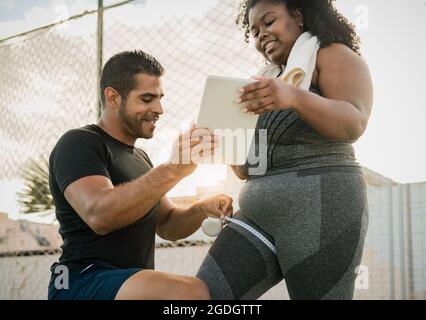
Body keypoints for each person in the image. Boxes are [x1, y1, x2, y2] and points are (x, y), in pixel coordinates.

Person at [197, 0, 373, 300]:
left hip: (321, 209)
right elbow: (247, 166)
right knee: (201, 296)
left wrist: (293, 96)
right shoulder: (270, 79)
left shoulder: (330, 54)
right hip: (258, 213)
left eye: (268, 22)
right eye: (254, 31)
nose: (261, 34)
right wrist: (222, 143)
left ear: (299, 15)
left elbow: (353, 123)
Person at [47, 50, 233, 300]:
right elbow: (99, 214)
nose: (159, 108)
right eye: (147, 99)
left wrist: (201, 208)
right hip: (78, 282)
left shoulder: (141, 158)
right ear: (113, 97)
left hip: (126, 283)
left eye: (159, 98)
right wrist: (173, 169)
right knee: (190, 292)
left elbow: (167, 224)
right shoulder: (79, 143)